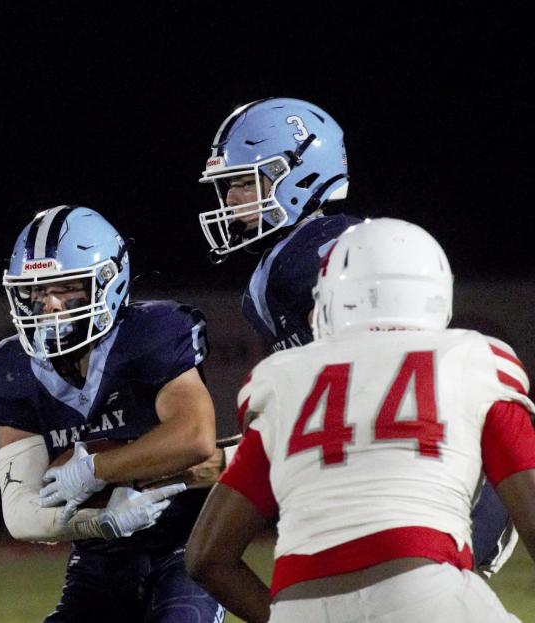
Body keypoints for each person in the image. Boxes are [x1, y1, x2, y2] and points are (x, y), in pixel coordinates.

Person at [195, 97, 517, 573]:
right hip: (429, 470)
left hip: (419, 490)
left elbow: (354, 412)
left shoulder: (308, 258)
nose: (231, 201)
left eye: (245, 182)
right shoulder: (316, 251)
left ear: (299, 173)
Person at [184, 218, 535, 622]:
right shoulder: (474, 360)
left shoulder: (282, 379)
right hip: (426, 593)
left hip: (301, 606)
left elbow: (205, 559)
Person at [0, 205, 227, 622]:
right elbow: (21, 513)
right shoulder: (11, 371)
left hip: (182, 548)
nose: (51, 305)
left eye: (68, 286)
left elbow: (195, 435)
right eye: (37, 291)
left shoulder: (153, 334)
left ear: (109, 282)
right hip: (97, 564)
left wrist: (96, 469)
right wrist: (100, 521)